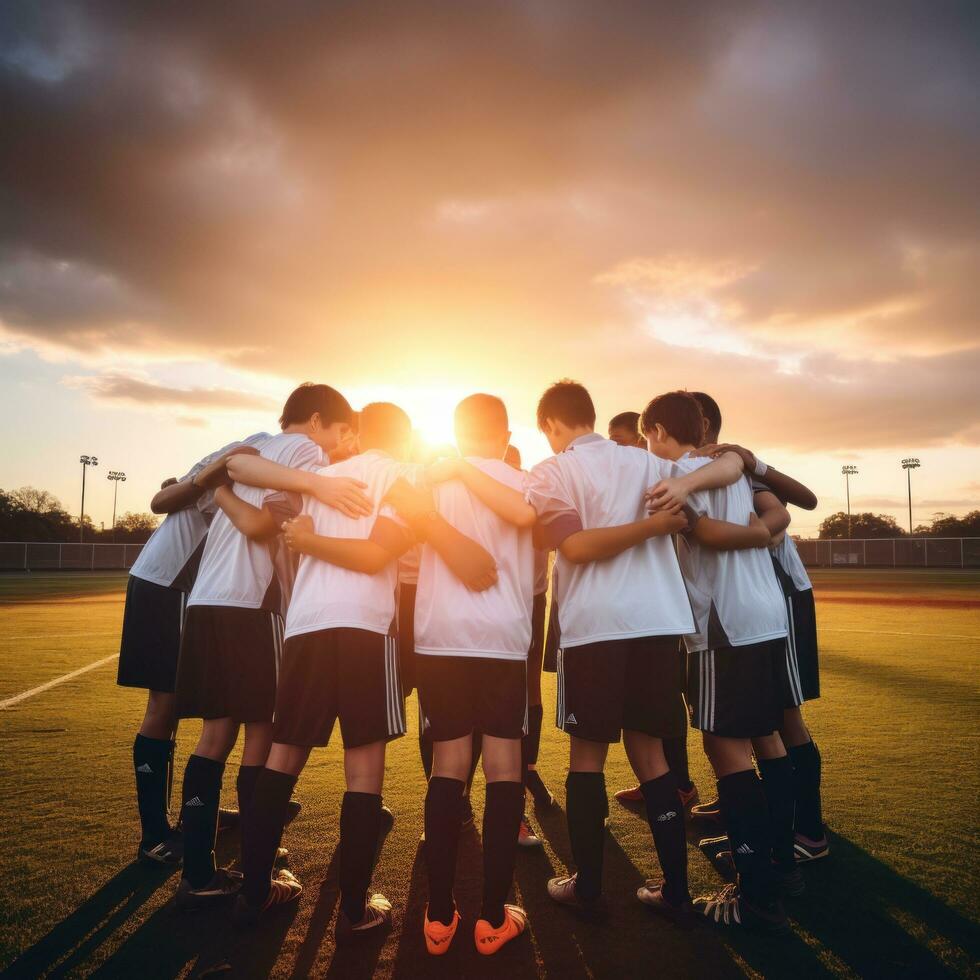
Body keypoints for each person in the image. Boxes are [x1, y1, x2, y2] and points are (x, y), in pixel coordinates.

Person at [428, 380, 745, 924]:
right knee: (653, 757)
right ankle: (674, 887)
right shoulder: (645, 463)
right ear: (591, 416)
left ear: (550, 425)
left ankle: (590, 886)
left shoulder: (553, 472)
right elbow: (735, 464)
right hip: (657, 625)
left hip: (595, 629)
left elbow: (572, 546)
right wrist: (682, 491)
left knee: (587, 758)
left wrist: (652, 520)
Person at [231, 403, 498, 941]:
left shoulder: (323, 476)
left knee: (282, 757)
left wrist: (309, 507)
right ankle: (354, 910)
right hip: (364, 632)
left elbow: (238, 465)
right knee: (364, 771)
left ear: (357, 435)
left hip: (306, 627)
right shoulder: (400, 475)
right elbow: (379, 556)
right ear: (405, 439)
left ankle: (253, 892)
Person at [171, 383, 362, 911]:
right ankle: (260, 863)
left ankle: (198, 873)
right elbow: (260, 526)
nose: (343, 445)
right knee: (263, 734)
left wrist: (218, 490)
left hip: (207, 600)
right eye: (342, 431)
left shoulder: (252, 441)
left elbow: (220, 481)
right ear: (320, 421)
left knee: (214, 737)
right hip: (251, 606)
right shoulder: (307, 454)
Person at [642, 390, 792, 932]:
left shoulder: (678, 474)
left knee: (723, 745)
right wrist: (761, 530)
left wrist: (747, 532)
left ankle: (754, 890)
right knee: (766, 737)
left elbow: (701, 533)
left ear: (658, 431)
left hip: (723, 624)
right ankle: (778, 859)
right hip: (767, 615)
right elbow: (772, 499)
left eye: (646, 437)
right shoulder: (726, 465)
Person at [400, 394, 535, 955]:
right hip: (502, 640)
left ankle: (438, 919)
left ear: (456, 433)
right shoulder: (524, 482)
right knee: (505, 769)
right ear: (505, 435)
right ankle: (491, 919)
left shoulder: (425, 480)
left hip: (440, 638)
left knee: (448, 767)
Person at [687, 392, 827, 863]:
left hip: (778, 597)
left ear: (701, 422)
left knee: (782, 718)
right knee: (756, 723)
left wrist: (752, 463)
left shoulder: (734, 464)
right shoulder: (702, 469)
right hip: (758, 600)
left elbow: (793, 507)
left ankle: (805, 832)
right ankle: (762, 830)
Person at [119, 433, 268, 865]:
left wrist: (202, 478)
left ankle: (191, 813)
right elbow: (161, 500)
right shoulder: (253, 451)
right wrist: (210, 477)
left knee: (191, 705)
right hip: (173, 585)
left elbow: (166, 494)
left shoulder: (243, 453)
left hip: (166, 582)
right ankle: (154, 835)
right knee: (168, 705)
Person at [505, 444, 554, 830]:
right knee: (499, 699)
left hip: (531, 599)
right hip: (491, 604)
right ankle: (506, 799)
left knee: (529, 691)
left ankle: (528, 771)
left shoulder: (529, 490)